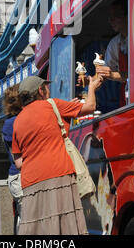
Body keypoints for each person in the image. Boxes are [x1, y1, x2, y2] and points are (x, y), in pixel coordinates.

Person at [12, 74, 103, 235]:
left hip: (31, 183)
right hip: (58, 173)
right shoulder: (51, 105)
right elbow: (90, 106)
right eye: (46, 86)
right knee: (66, 226)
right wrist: (92, 87)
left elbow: (18, 161)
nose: (48, 89)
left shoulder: (17, 121)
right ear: (40, 90)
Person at [95, 0, 128, 107]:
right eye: (110, 17)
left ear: (127, 15)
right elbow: (105, 72)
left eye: (115, 16)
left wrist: (112, 75)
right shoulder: (114, 43)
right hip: (127, 97)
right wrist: (91, 81)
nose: (110, 20)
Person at [2, 84, 23, 234]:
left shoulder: (12, 121)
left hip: (19, 177)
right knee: (27, 222)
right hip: (19, 176)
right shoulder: (12, 123)